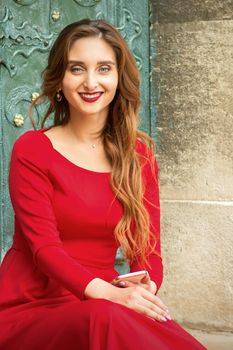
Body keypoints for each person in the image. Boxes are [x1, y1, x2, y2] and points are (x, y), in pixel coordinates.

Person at [0, 19, 206, 349]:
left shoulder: (139, 155)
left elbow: (147, 249)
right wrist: (109, 295)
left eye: (104, 68)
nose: (91, 81)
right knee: (104, 319)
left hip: (106, 300)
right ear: (60, 80)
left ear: (118, 78)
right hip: (32, 307)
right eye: (77, 69)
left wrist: (143, 290)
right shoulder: (33, 150)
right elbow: (44, 250)